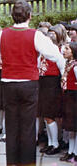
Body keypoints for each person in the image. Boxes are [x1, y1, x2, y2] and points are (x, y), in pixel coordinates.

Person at [0, 0, 65, 165]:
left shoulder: (3, 34)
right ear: (30, 16)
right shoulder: (36, 35)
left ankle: (12, 163)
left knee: (11, 125)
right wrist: (64, 75)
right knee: (28, 126)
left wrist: (3, 63)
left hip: (8, 84)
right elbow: (56, 55)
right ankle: (27, 163)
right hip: (28, 85)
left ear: (12, 16)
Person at [38, 24, 66, 155]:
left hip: (52, 83)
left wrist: (62, 82)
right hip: (42, 82)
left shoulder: (56, 50)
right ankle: (50, 143)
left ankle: (55, 143)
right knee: (45, 116)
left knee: (50, 115)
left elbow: (62, 67)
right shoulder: (42, 52)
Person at [60, 42, 77, 162]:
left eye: (67, 49)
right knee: (70, 127)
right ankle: (70, 151)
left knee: (75, 125)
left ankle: (75, 152)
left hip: (74, 97)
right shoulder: (67, 64)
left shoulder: (75, 66)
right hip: (68, 96)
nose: (64, 51)